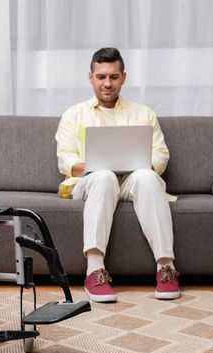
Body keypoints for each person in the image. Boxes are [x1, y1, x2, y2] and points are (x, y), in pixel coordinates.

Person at [55, 47, 180, 303]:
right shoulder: (73, 114)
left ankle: (165, 268)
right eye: (101, 77)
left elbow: (161, 154)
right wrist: (96, 165)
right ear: (90, 77)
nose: (108, 83)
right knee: (104, 176)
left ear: (124, 77)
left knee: (147, 176)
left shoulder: (143, 114)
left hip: (132, 180)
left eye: (113, 76)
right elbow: (65, 158)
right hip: (91, 181)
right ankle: (94, 271)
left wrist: (141, 165)